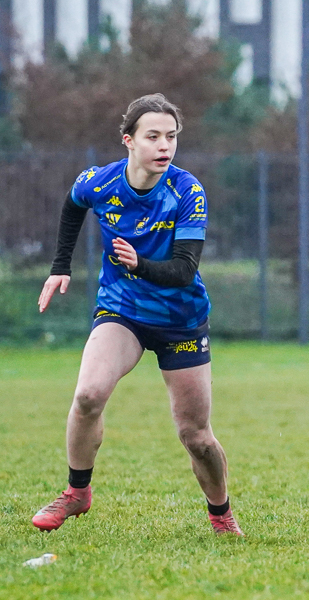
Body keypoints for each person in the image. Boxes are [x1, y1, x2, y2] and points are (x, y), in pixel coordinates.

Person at [32, 93, 242, 536]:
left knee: (196, 436)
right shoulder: (100, 181)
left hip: (180, 319)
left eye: (171, 137)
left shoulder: (187, 191)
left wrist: (138, 265)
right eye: (153, 136)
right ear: (128, 140)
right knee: (88, 394)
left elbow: (185, 271)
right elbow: (73, 206)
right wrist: (59, 267)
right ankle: (77, 493)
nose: (164, 145)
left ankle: (221, 513)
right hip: (122, 311)